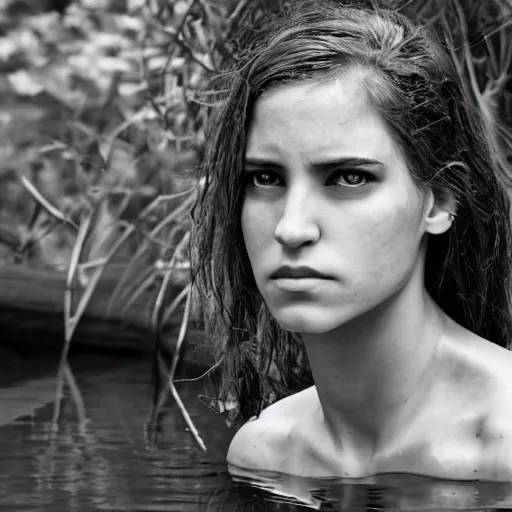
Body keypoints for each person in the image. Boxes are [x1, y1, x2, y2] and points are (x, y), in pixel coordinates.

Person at [190, 0, 512, 481]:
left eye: (349, 177)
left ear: (439, 202)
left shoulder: (503, 444)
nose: (291, 228)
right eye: (265, 178)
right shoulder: (264, 451)